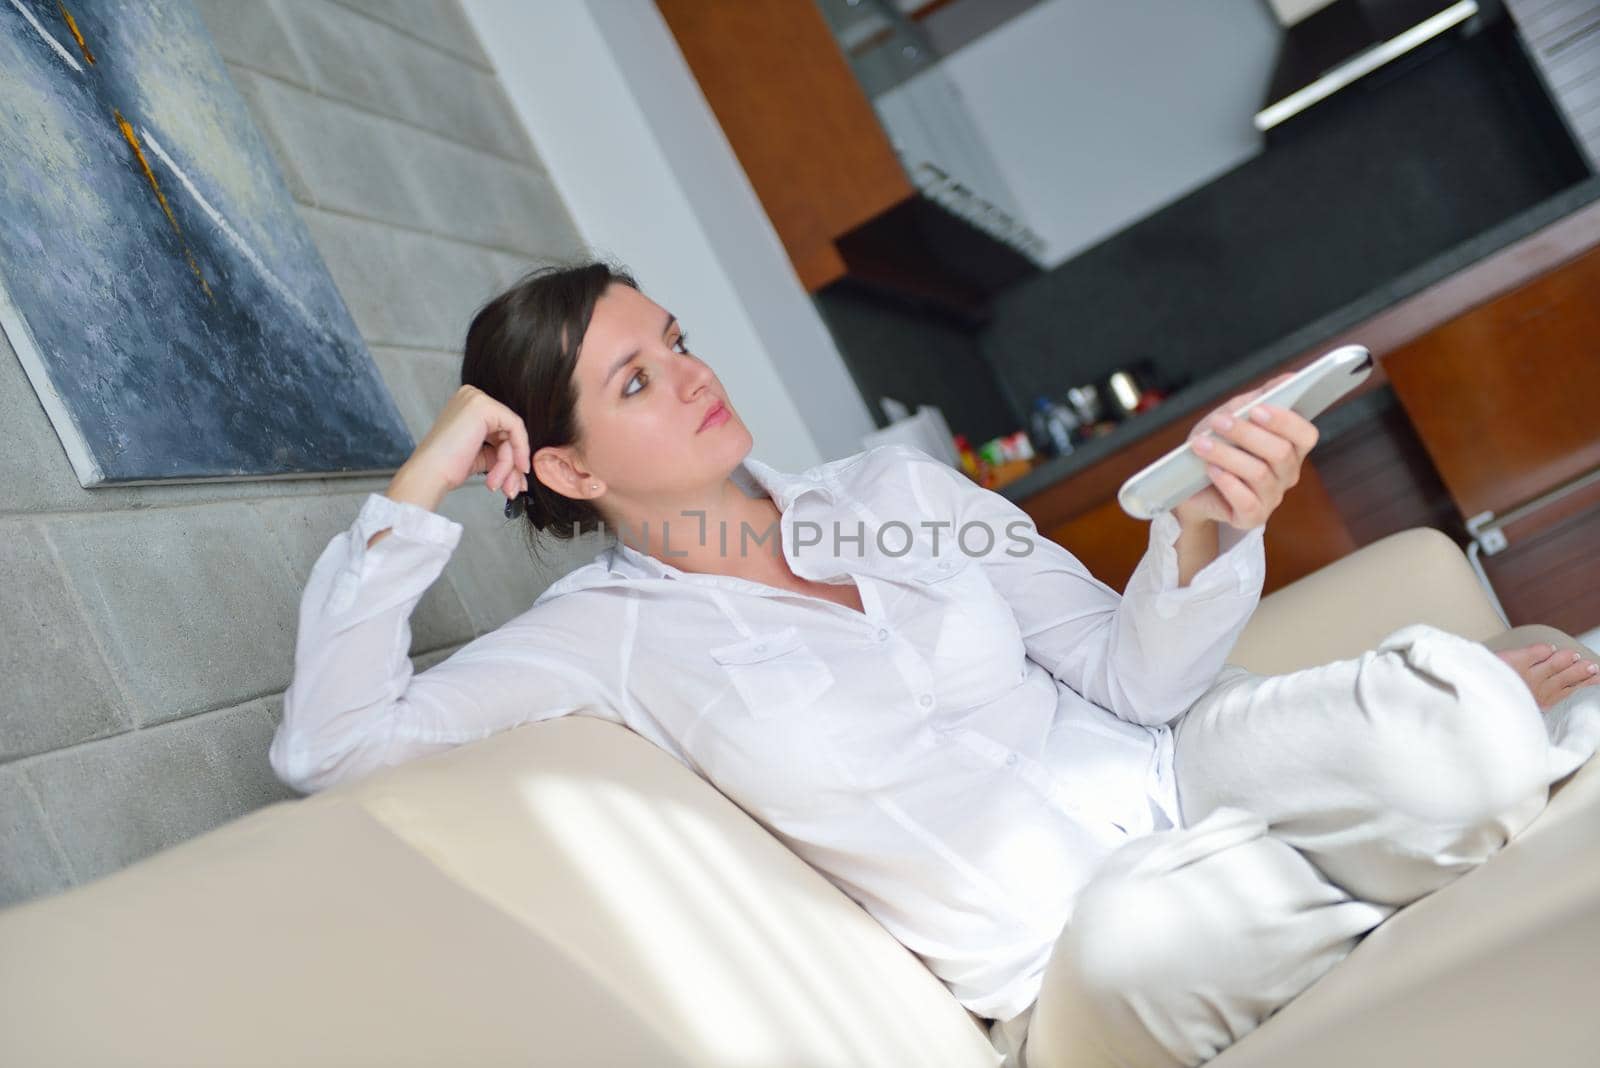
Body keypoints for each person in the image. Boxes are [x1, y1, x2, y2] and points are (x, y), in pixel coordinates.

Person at [270, 262, 1600, 1068]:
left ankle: (1402, 793)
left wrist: (1208, 525)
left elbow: (1126, 677)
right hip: (1067, 960)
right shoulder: (595, 645)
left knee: (1432, 736)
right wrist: (423, 481)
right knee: (1165, 923)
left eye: (673, 340)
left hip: (1185, 774)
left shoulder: (893, 490)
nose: (686, 374)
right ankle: (1405, 809)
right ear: (563, 470)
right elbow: (329, 747)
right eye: (633, 383)